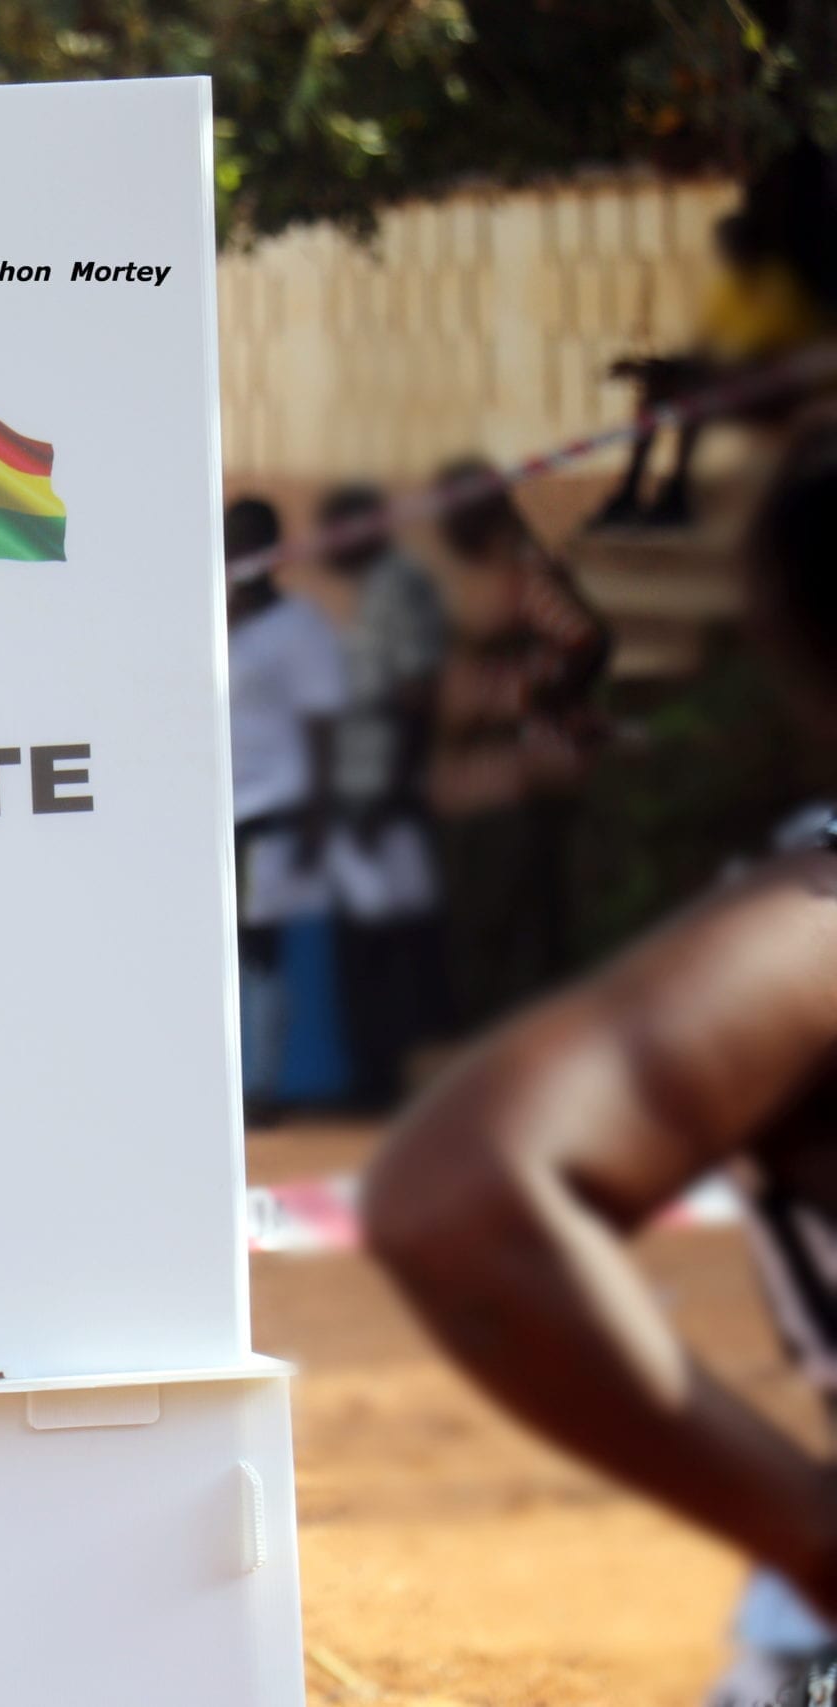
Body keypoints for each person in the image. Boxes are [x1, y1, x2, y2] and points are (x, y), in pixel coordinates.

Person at [364, 416, 837, 1707]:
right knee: (509, 956)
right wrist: (811, 1532)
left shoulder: (524, 587)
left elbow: (570, 658)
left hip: (519, 796)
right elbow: (471, 1186)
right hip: (501, 809)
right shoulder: (816, 926)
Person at [426, 460, 610, 1034]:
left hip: (513, 783)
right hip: (474, 785)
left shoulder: (521, 573)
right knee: (490, 931)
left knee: (509, 931)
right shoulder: (485, 573)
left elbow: (585, 637)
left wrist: (533, 697)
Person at [308, 481, 450, 1109]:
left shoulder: (399, 587)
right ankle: (377, 1078)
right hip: (360, 794)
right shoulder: (372, 591)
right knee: (367, 944)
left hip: (384, 798)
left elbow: (415, 700)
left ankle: (392, 1085)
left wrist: (390, 798)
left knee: (391, 949)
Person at [223, 496, 347, 1120]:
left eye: (245, 544)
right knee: (228, 947)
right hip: (221, 815)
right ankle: (235, 1079)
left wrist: (318, 816)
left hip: (274, 812)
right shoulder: (217, 621)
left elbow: (324, 724)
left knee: (260, 948)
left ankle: (261, 1087)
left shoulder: (301, 629)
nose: (233, 557)